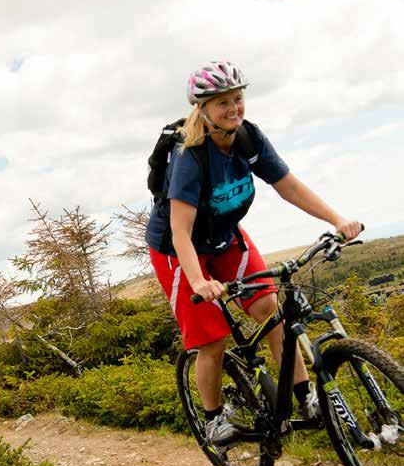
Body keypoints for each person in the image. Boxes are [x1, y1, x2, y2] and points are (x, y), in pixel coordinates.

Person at [145, 60, 362, 445]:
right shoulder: (189, 156)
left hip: (226, 239)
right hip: (179, 252)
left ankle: (304, 397)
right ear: (203, 109)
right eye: (222, 102)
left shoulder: (248, 139)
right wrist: (199, 280)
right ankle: (213, 419)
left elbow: (288, 185)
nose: (233, 109)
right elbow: (180, 230)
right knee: (211, 340)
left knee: (272, 314)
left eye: (237, 98)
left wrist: (336, 219)